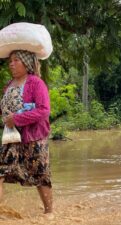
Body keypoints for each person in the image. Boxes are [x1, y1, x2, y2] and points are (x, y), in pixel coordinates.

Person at [0, 50, 53, 214]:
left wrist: (17, 119)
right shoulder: (9, 85)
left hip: (34, 138)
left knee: (40, 176)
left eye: (16, 60)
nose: (11, 64)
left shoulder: (36, 83)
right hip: (11, 137)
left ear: (26, 63)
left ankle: (49, 213)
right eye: (10, 61)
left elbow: (44, 110)